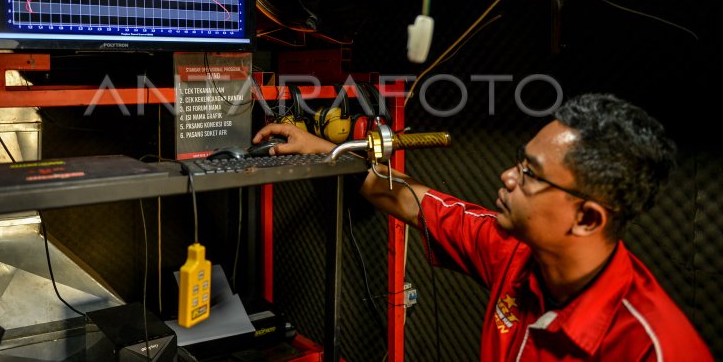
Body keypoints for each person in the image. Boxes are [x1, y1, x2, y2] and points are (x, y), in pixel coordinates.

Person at [253, 93, 712, 360]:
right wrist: (320, 147)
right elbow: (405, 197)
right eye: (519, 161)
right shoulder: (510, 249)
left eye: (529, 173)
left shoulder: (655, 348)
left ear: (587, 218)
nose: (508, 177)